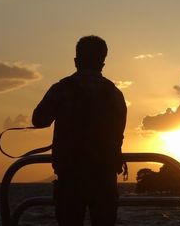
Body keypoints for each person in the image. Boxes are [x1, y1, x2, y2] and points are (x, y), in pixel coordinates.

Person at [31, 35, 127, 226]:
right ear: (103, 62)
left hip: (71, 176)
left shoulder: (61, 89)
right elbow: (119, 132)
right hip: (105, 177)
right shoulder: (115, 94)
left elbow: (39, 120)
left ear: (76, 61)